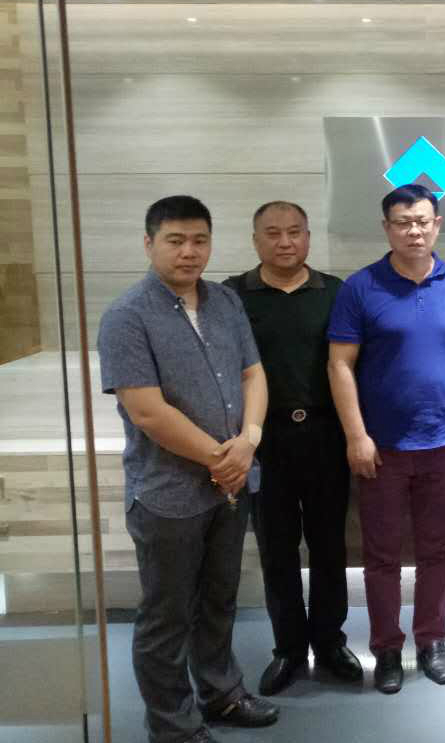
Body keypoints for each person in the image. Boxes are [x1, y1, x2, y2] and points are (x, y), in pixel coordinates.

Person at [99, 195, 278, 742]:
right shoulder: (126, 316)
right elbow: (148, 412)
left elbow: (253, 374)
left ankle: (222, 694)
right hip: (167, 493)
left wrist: (249, 441)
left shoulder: (225, 301)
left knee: (219, 599)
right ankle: (172, 725)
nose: (189, 252)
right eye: (175, 240)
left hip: (231, 484)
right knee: (167, 614)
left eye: (199, 240)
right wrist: (223, 458)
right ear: (149, 243)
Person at [327, 184, 445, 694]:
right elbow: (340, 364)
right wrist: (356, 435)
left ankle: (432, 640)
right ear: (387, 228)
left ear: (436, 224)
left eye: (422, 221)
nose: (413, 231)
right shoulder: (361, 287)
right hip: (382, 447)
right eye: (402, 222)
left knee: (438, 548)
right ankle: (387, 648)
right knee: (381, 555)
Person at [224, 201, 362, 696]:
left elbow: (352, 366)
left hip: (325, 437)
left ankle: (329, 641)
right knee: (276, 549)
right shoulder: (231, 296)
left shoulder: (336, 292)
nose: (285, 242)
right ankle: (287, 647)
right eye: (273, 233)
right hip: (264, 441)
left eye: (295, 232)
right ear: (255, 239)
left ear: (308, 237)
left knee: (329, 546)